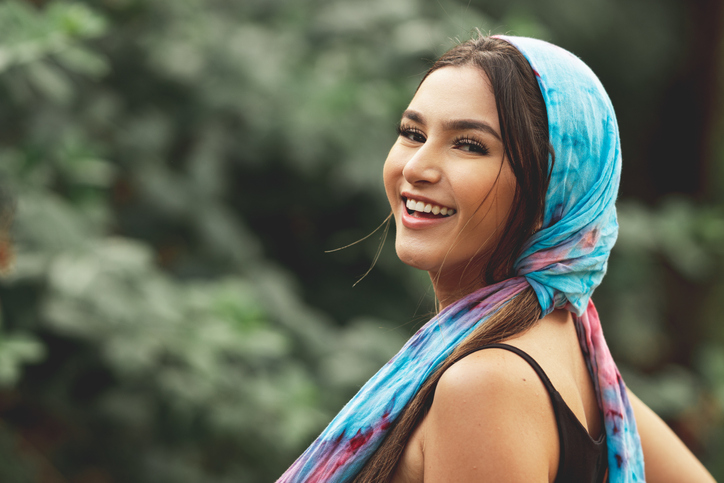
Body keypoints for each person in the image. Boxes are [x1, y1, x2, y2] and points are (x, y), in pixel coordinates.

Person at [278, 34, 716, 482]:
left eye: (469, 145)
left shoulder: (486, 386)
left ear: (552, 189)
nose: (415, 167)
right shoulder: (580, 354)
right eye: (413, 134)